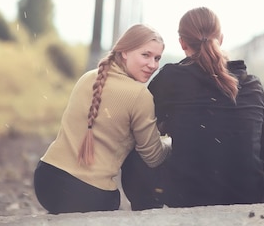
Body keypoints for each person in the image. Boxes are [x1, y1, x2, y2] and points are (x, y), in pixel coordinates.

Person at [121, 7, 264, 209]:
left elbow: (142, 125)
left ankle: (146, 216)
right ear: (221, 39)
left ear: (182, 43)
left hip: (186, 199)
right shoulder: (252, 84)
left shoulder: (170, 78)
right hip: (248, 197)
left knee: (136, 143)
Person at [34, 24, 171, 214]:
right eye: (145, 55)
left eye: (157, 58)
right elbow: (153, 157)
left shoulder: (88, 78)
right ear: (124, 52)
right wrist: (172, 144)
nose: (153, 65)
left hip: (47, 180)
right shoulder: (140, 95)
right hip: (89, 194)